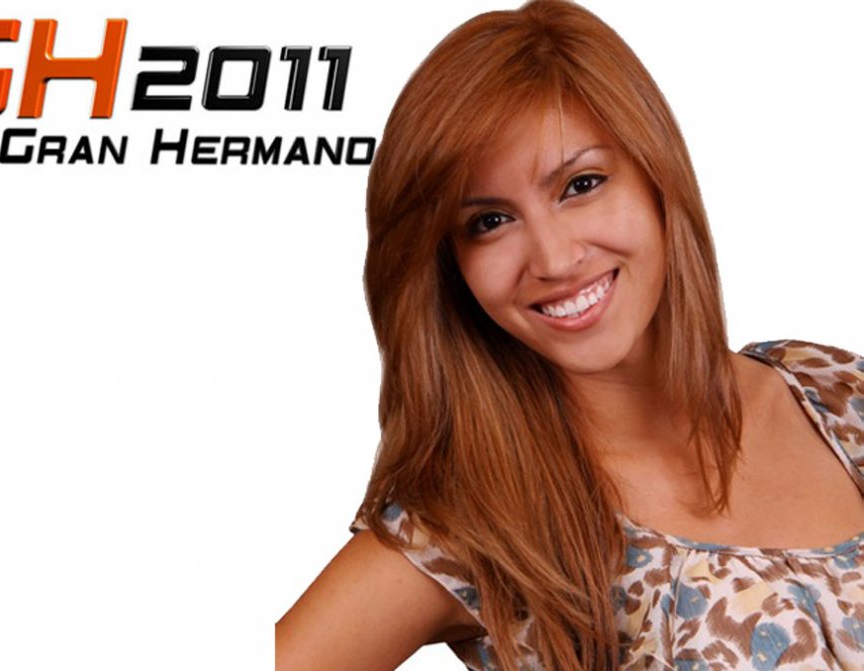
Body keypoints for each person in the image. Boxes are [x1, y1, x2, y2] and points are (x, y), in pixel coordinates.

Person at [275, 1, 864, 669]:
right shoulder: (476, 524)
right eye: (489, 222)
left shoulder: (834, 393)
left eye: (581, 184)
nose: (554, 259)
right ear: (450, 266)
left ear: (657, 177)